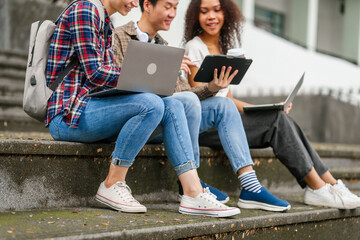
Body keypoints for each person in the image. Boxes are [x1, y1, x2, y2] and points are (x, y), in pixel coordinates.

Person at [46, 0, 240, 217]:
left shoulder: (104, 22)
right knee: (152, 103)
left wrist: (158, 78)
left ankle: (192, 192)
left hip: (93, 107)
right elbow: (95, 73)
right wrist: (153, 76)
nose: (134, 2)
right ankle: (111, 184)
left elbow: (106, 80)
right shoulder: (85, 9)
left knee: (173, 104)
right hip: (69, 114)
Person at [113, 0, 292, 212]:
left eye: (175, 8)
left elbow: (184, 95)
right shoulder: (119, 36)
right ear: (148, 6)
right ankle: (192, 184)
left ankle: (250, 185)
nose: (172, 14)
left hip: (171, 117)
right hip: (141, 118)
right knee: (178, 104)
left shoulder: (166, 47)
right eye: (168, 7)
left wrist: (212, 87)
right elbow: (115, 85)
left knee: (223, 104)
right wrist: (158, 71)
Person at [182, 0, 360, 209]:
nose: (211, 16)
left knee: (280, 116)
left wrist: (269, 107)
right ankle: (317, 188)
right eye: (204, 12)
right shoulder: (194, 47)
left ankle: (331, 184)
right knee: (277, 122)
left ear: (226, 13)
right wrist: (213, 86)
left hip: (226, 121)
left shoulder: (224, 48)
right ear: (196, 16)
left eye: (216, 10)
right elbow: (200, 99)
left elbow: (227, 99)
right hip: (205, 127)